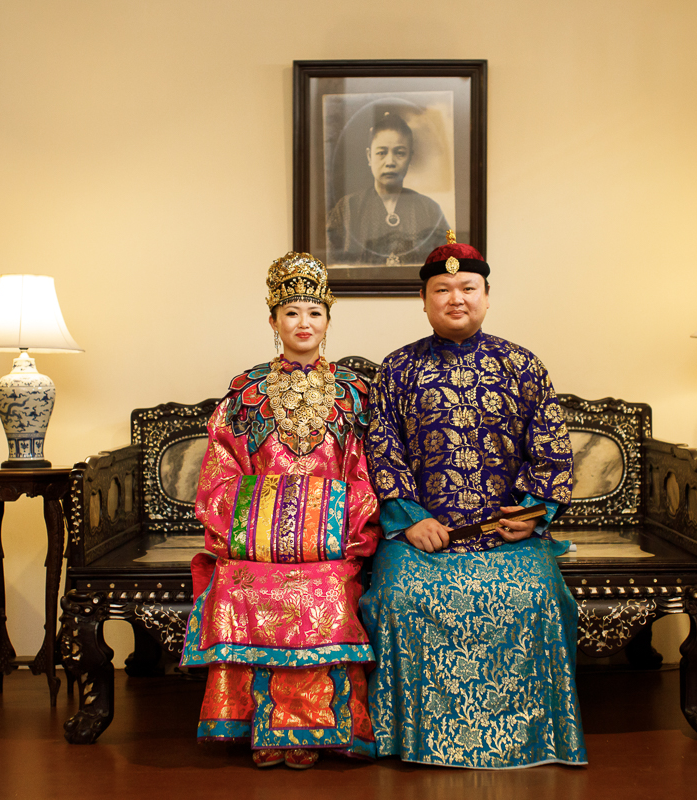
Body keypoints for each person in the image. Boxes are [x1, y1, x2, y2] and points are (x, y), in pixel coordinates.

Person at [360, 232, 587, 769]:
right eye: (443, 289)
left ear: (487, 295)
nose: (456, 298)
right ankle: (408, 738)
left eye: (468, 287)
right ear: (423, 300)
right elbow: (380, 452)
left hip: (506, 537)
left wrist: (532, 515)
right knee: (398, 601)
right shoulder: (396, 370)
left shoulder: (523, 365)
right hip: (421, 538)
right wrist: (408, 520)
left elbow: (552, 448)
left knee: (539, 599)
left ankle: (540, 738)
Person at [180, 252, 380, 770]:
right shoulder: (245, 394)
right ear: (273, 322)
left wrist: (344, 528)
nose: (304, 323)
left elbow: (365, 472)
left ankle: (313, 729)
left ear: (328, 321)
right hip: (256, 540)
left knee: (329, 586)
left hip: (330, 541)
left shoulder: (355, 394)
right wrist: (251, 530)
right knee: (241, 581)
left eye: (314, 313)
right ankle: (259, 727)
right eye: (292, 313)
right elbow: (221, 471)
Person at [326, 112, 449, 267]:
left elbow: (446, 267)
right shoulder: (347, 208)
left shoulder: (430, 209)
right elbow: (330, 266)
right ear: (369, 156)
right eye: (381, 153)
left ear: (410, 157)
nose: (390, 162)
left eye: (400, 153)